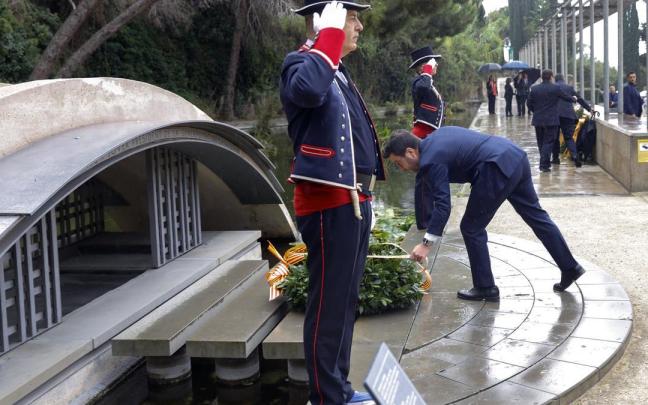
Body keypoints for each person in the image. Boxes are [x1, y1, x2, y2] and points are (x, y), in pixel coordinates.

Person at [279, 1, 384, 404]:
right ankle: (326, 397)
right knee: (328, 305)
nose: (358, 25)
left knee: (344, 302)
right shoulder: (301, 64)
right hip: (328, 203)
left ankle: (337, 388)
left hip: (353, 201)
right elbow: (307, 91)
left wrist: (368, 194)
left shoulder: (335, 70)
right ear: (327, 22)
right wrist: (330, 36)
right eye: (352, 18)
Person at [382, 128, 586, 302]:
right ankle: (570, 267)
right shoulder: (436, 138)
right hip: (515, 157)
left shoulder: (430, 161)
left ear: (410, 152)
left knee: (471, 228)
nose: (402, 169)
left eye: (399, 164)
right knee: (537, 217)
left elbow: (443, 206)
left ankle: (485, 288)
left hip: (495, 167)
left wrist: (425, 244)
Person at [526, 69, 577, 173]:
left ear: (542, 77)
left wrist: (535, 111)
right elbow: (566, 97)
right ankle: (544, 165)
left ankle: (544, 161)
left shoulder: (534, 89)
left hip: (538, 120)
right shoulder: (555, 88)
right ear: (551, 77)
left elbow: (529, 103)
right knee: (548, 142)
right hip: (551, 120)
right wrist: (574, 99)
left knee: (541, 142)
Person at [552, 74, 592, 167]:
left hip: (555, 116)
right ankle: (575, 156)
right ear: (563, 79)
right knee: (569, 138)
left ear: (555, 79)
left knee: (555, 138)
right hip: (568, 115)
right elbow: (579, 99)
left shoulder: (552, 87)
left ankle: (555, 159)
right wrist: (589, 109)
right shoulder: (569, 87)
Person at [409, 46, 444, 139]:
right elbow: (423, 86)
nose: (436, 64)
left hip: (432, 133)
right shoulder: (418, 82)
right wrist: (427, 69)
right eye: (433, 63)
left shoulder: (429, 83)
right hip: (422, 134)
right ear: (423, 67)